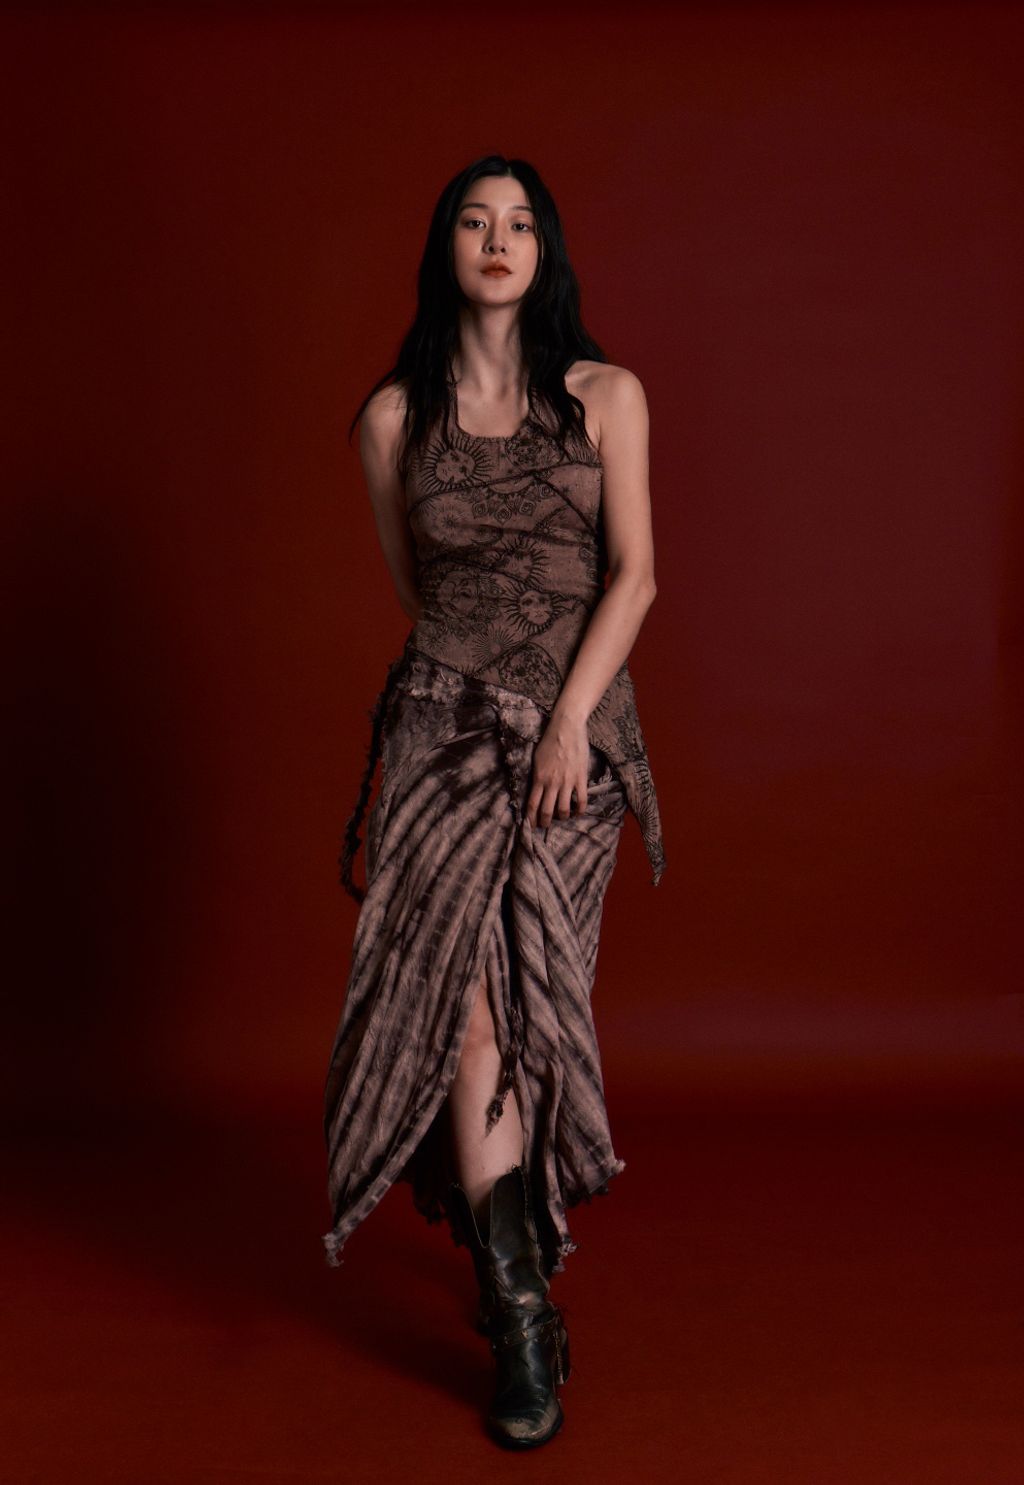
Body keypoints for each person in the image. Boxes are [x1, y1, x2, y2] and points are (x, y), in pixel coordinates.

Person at [322, 153, 665, 1450]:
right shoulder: (390, 421)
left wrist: (565, 714)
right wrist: (475, 694)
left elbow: (634, 576)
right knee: (466, 1013)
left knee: (532, 1005)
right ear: (448, 249)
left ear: (546, 249)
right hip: (442, 738)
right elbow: (418, 588)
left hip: (576, 744)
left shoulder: (605, 396)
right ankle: (522, 1319)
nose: (498, 239)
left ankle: (507, 1238)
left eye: (520, 222)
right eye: (475, 221)